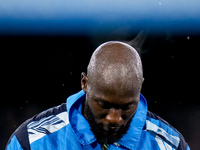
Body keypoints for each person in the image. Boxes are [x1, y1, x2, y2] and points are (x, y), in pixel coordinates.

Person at [6, 41, 190, 150]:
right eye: (104, 104)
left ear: (140, 87)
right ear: (84, 83)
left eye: (126, 107)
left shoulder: (171, 145)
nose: (114, 118)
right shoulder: (31, 142)